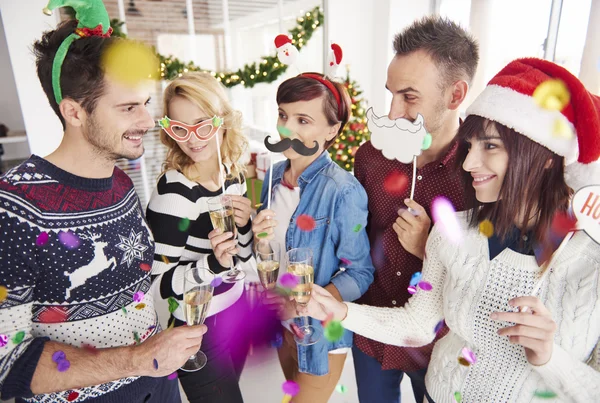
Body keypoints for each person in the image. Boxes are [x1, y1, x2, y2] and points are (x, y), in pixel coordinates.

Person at [302, 58, 600, 402]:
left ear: (547, 155)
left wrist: (551, 358)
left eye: (490, 146)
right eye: (471, 146)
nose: (470, 162)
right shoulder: (454, 230)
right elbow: (418, 324)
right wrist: (340, 311)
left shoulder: (590, 261)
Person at [0, 12, 206, 403]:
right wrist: (138, 358)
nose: (148, 120)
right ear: (74, 111)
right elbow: (6, 362)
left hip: (158, 386)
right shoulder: (14, 208)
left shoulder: (121, 183)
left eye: (145, 103)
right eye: (129, 107)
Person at [352, 16, 479, 402]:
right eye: (390, 93)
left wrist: (432, 249)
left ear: (455, 95)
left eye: (409, 97)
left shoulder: (481, 173)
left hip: (442, 344)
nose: (392, 112)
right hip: (372, 331)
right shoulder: (371, 158)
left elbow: (489, 274)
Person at [251, 72, 375, 403]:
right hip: (281, 326)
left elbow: (360, 273)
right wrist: (259, 242)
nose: (286, 128)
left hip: (319, 332)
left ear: (332, 129)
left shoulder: (343, 190)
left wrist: (301, 304)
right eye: (283, 115)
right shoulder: (273, 177)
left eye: (303, 120)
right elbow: (269, 251)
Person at [146, 72, 254, 403]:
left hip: (237, 312)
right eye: (180, 128)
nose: (192, 139)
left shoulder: (233, 174)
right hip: (197, 327)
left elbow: (242, 258)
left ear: (222, 121)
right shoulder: (175, 193)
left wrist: (247, 226)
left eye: (202, 124)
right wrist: (211, 264)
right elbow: (157, 283)